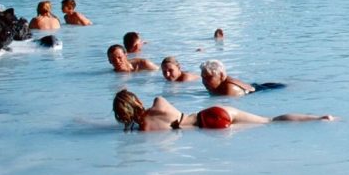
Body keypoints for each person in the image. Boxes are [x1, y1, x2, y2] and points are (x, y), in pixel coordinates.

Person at [112, 89, 332, 131]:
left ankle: (317, 119)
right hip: (208, 114)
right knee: (270, 121)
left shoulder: (144, 129)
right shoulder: (158, 102)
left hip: (207, 128)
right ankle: (317, 118)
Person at [200, 59, 283, 96]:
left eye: (209, 77)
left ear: (221, 76)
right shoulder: (218, 86)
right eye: (203, 78)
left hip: (263, 90)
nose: (204, 81)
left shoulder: (229, 89)